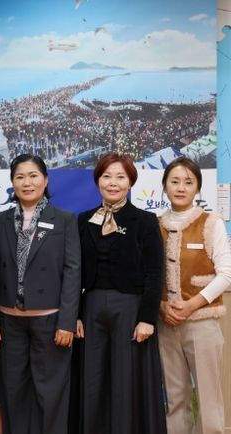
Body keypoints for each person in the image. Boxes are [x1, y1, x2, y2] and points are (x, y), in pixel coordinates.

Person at [0, 154, 81, 434]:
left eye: (33, 175)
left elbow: (73, 272)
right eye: (20, 177)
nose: (27, 182)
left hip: (50, 321)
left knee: (50, 394)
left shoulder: (64, 220)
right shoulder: (0, 221)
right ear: (12, 183)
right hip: (9, 321)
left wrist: (66, 322)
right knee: (14, 392)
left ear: (45, 180)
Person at [76, 152, 166, 433]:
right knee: (93, 381)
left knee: (125, 381)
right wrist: (75, 315)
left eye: (120, 177)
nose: (112, 183)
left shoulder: (145, 220)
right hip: (91, 308)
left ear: (130, 182)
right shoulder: (83, 220)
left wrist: (147, 319)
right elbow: (74, 272)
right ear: (97, 181)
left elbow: (155, 273)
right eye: (106, 176)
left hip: (130, 309)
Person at [157, 157, 231, 434]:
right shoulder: (155, 225)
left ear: (198, 187)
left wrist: (191, 305)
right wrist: (162, 307)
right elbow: (148, 277)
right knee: (175, 400)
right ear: (164, 186)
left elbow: (226, 274)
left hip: (202, 323)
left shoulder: (211, 223)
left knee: (209, 399)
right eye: (174, 181)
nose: (181, 188)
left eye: (188, 182)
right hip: (166, 325)